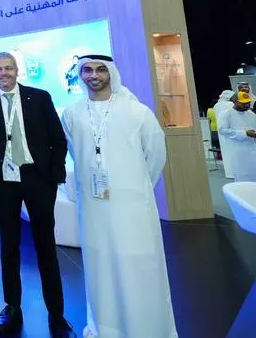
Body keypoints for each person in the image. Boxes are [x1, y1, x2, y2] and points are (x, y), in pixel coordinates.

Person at [61, 55, 177, 338]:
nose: (94, 75)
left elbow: (156, 155)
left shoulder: (137, 111)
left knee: (138, 266)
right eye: (87, 70)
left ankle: (145, 329)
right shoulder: (72, 114)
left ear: (111, 73)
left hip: (132, 207)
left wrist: (135, 187)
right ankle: (107, 328)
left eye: (101, 70)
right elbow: (77, 154)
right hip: (94, 207)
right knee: (101, 266)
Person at [0, 53, 74, 337]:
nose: (3, 73)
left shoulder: (40, 97)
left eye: (8, 68)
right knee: (9, 246)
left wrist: (54, 175)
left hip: (38, 180)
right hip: (4, 183)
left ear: (17, 70)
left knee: (45, 245)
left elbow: (58, 139)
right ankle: (12, 306)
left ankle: (56, 311)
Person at [217, 92, 256, 181]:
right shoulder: (226, 114)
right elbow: (222, 130)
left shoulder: (252, 114)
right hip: (238, 150)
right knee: (243, 176)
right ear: (235, 101)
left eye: (248, 102)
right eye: (243, 103)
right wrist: (244, 133)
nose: (247, 105)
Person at [214, 90, 238, 177]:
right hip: (233, 131)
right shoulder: (231, 104)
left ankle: (229, 172)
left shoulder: (216, 105)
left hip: (222, 133)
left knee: (226, 153)